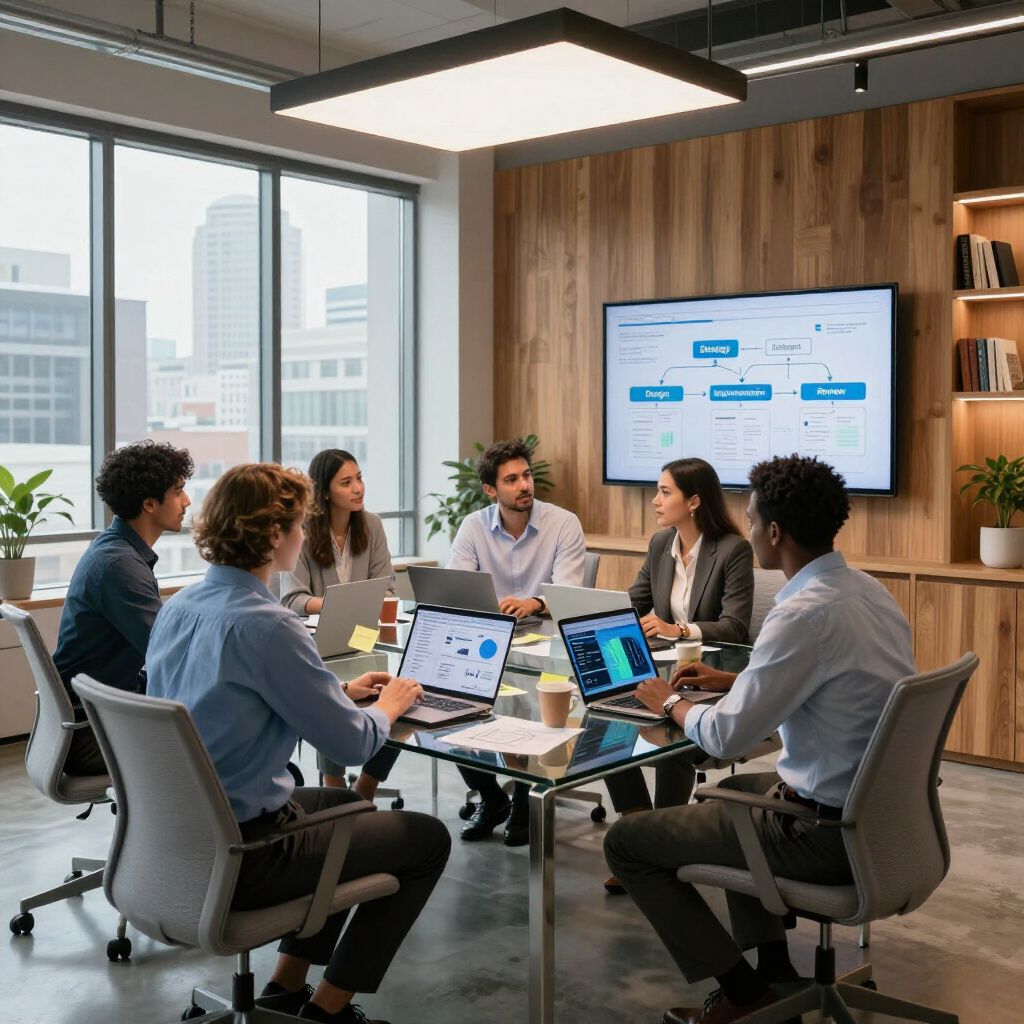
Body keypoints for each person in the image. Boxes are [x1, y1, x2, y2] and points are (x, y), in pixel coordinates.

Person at [604, 455, 915, 1024]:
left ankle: (744, 994)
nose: (745, 529)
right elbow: (826, 681)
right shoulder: (870, 592)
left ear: (774, 532)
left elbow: (722, 738)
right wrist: (736, 679)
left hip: (824, 833)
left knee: (627, 843)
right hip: (885, 817)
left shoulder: (799, 614)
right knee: (733, 796)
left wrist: (669, 703)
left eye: (750, 519)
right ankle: (774, 968)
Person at [146, 463, 451, 1024]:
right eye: (297, 525)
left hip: (175, 835)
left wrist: (335, 687)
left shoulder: (181, 606)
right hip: (246, 851)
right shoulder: (270, 625)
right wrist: (389, 705)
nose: (304, 534)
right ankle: (327, 1012)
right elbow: (356, 743)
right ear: (272, 534)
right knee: (426, 840)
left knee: (345, 807)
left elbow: (229, 692)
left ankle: (286, 988)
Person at [604, 458, 753, 894]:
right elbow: (634, 602)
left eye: (665, 492)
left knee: (671, 731)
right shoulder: (660, 544)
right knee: (610, 720)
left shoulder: (731, 549)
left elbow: (736, 627)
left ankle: (661, 843)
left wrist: (680, 629)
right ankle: (640, 834)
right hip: (662, 670)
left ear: (693, 501)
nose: (655, 500)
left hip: (710, 676)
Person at [448, 438, 586, 846]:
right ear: (491, 490)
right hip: (489, 643)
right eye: (511, 480)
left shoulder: (563, 523)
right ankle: (492, 799)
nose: (525, 485)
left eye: (526, 475)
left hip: (548, 645)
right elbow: (456, 590)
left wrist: (533, 603)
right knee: (449, 707)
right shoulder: (473, 527)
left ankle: (526, 799)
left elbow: (569, 590)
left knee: (537, 708)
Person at [53, 440, 193, 776]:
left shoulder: (116, 551)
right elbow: (168, 653)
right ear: (148, 503)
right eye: (178, 491)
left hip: (98, 717)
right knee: (229, 739)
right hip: (93, 735)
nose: (187, 501)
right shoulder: (120, 566)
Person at [280, 449, 399, 799]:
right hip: (321, 641)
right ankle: (333, 786)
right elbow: (293, 599)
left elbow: (386, 587)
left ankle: (366, 786)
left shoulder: (371, 524)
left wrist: (356, 608)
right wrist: (339, 607)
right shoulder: (302, 531)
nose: (358, 488)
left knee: (396, 698)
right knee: (331, 697)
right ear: (325, 491)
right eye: (346, 482)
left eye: (359, 478)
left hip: (367, 636)